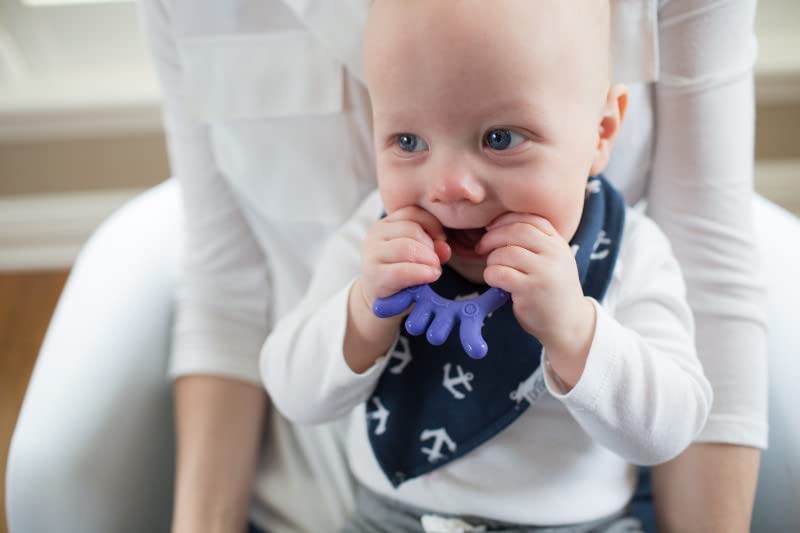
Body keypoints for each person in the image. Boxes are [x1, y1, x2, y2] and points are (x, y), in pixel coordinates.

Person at [132, 0, 763, 532]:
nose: (451, 185)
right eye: (408, 142)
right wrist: (357, 317)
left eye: (500, 139)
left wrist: (577, 334)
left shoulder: (627, 251)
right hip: (383, 516)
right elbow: (293, 390)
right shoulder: (372, 237)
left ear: (601, 131)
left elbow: (672, 427)